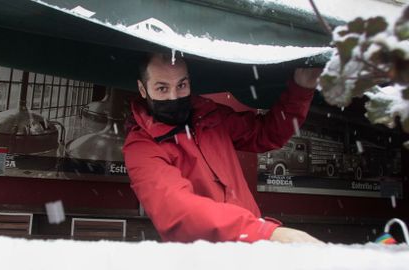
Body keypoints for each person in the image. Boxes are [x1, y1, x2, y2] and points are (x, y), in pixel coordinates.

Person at [123, 53, 322, 243]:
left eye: (182, 85)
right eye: (162, 88)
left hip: (252, 249)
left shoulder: (210, 116)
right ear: (143, 89)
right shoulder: (140, 146)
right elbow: (177, 211)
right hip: (203, 259)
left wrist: (302, 87)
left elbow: (267, 133)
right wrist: (262, 232)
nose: (174, 96)